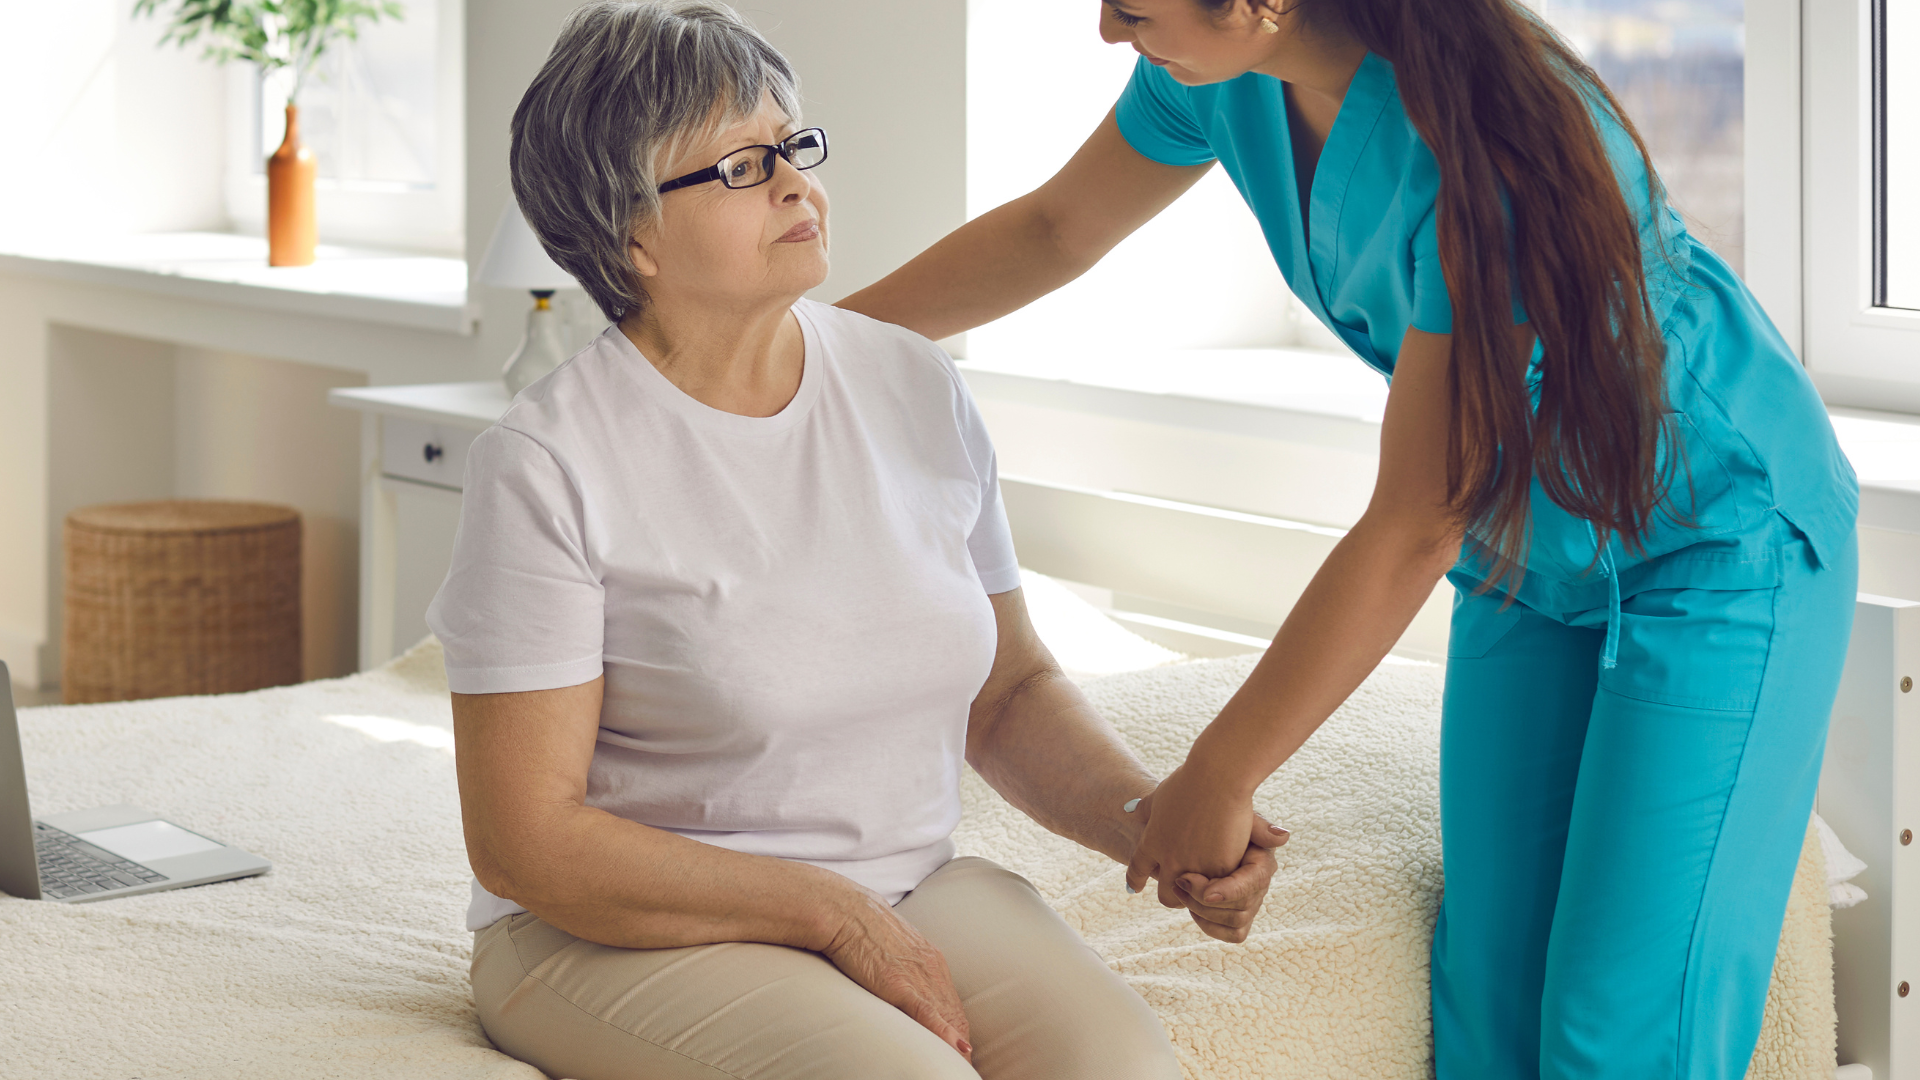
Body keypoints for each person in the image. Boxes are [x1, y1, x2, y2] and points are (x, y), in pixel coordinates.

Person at [838, 1, 1859, 1077]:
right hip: (1523, 559)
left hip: (1715, 547)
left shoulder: (1494, 146)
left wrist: (1220, 772)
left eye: (1130, 6)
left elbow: (1416, 519)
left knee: (1617, 1036)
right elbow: (1055, 230)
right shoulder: (1217, 75)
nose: (1104, 30)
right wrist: (808, 345)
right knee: (1490, 1012)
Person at [427, 4, 1281, 1079]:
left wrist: (1154, 826)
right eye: (741, 166)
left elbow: (1008, 691)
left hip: (912, 885)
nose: (796, 182)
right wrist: (831, 914)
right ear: (630, 232)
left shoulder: (913, 384)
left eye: (795, 145)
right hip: (609, 930)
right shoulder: (549, 462)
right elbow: (527, 843)